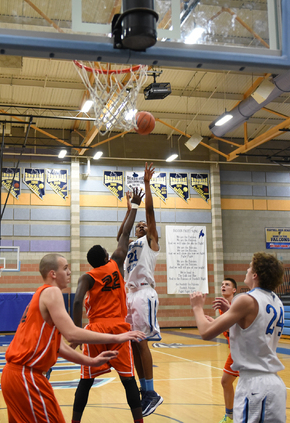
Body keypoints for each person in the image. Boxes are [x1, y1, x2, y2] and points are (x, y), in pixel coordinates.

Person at [1, 253, 145, 423]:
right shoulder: (52, 291)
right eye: (65, 268)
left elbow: (59, 347)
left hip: (13, 376)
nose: (69, 272)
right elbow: (72, 333)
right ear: (53, 274)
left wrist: (91, 361)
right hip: (27, 376)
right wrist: (118, 338)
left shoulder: (40, 295)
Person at [71, 188, 145, 423]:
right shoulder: (116, 263)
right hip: (119, 330)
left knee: (86, 380)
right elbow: (124, 234)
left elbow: (75, 301)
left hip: (94, 331)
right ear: (105, 257)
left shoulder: (87, 276)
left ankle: (75, 421)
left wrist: (76, 331)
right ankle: (138, 421)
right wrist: (134, 206)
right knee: (128, 380)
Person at [190, 252, 286, 423]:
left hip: (255, 385)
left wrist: (197, 307)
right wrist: (231, 313)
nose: (247, 270)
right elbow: (253, 326)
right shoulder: (276, 301)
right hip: (272, 384)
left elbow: (205, 333)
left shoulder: (246, 300)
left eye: (250, 267)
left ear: (255, 275)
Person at [118, 162, 163, 417]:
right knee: (133, 343)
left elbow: (151, 215)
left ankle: (151, 391)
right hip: (129, 294)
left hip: (145, 292)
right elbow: (120, 235)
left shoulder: (151, 242)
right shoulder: (131, 244)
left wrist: (146, 186)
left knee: (142, 341)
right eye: (139, 226)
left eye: (144, 226)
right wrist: (129, 210)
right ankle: (143, 390)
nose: (141, 227)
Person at [211, 278, 239, 423]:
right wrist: (213, 322)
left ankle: (238, 416)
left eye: (227, 285)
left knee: (240, 384)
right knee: (226, 381)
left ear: (234, 290)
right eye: (222, 284)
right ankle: (230, 416)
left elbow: (235, 327)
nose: (223, 286)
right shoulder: (223, 306)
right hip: (234, 350)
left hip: (242, 350)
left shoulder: (237, 304)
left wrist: (214, 324)